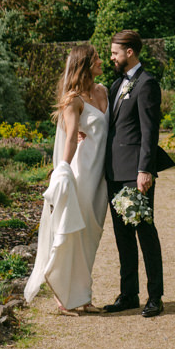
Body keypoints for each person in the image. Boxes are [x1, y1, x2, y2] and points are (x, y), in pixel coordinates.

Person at [24, 44, 109, 313]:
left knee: (92, 238)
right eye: (96, 58)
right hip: (82, 173)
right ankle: (64, 297)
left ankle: (83, 296)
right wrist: (62, 169)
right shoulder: (73, 100)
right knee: (76, 236)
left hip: (102, 177)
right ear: (83, 64)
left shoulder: (103, 91)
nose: (101, 61)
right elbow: (71, 136)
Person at [103, 29, 174, 317]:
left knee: (145, 233)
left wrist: (146, 169)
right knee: (122, 236)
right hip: (114, 171)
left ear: (129, 52)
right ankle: (128, 294)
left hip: (136, 173)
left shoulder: (146, 84)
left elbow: (149, 131)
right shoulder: (116, 84)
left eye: (114, 53)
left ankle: (154, 296)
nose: (112, 58)